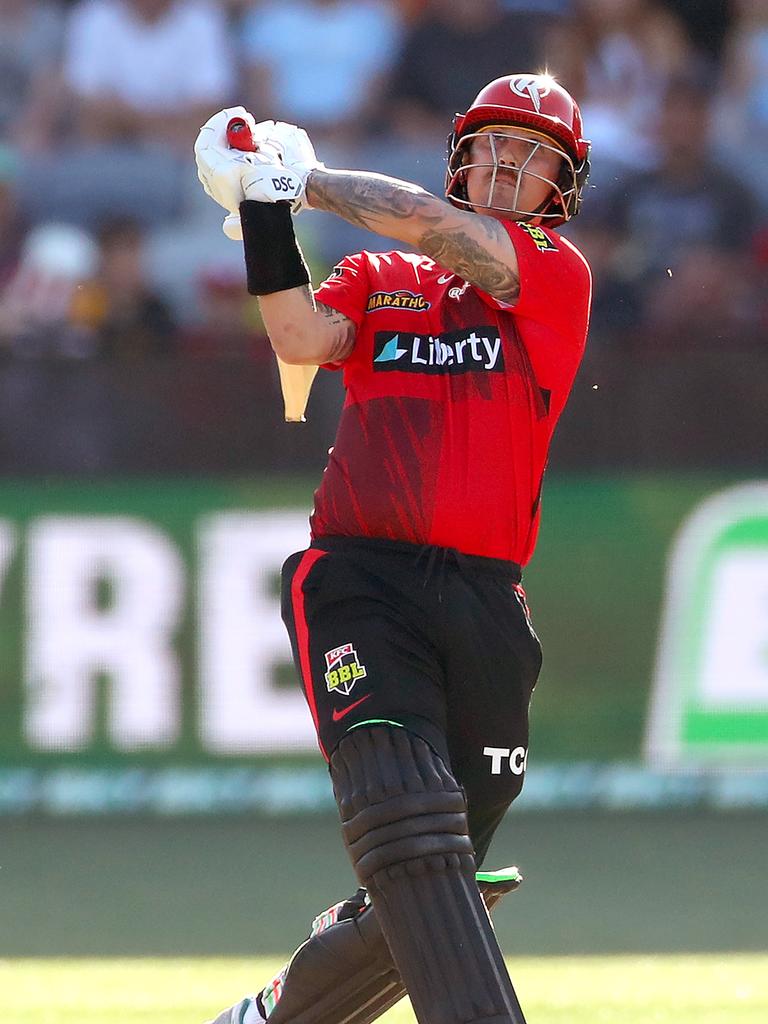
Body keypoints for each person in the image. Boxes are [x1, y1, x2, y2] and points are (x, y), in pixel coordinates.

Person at [194, 72, 592, 1024]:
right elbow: (297, 334)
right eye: (495, 142)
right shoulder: (384, 280)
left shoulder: (554, 276)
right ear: (464, 155)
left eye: (534, 153)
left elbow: (438, 229)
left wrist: (312, 179)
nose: (510, 162)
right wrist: (263, 205)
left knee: (434, 868)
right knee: (409, 826)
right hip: (361, 577)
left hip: (489, 597)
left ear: (558, 188)